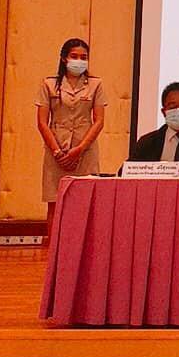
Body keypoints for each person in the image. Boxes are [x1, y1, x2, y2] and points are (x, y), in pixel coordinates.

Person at [36, 38, 108, 222]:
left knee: (87, 204)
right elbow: (42, 122)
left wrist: (79, 150)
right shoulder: (49, 84)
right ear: (64, 59)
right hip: (56, 151)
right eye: (74, 56)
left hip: (85, 151)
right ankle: (54, 242)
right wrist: (57, 152)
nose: (79, 61)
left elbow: (99, 121)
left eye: (84, 57)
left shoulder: (95, 84)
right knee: (55, 203)